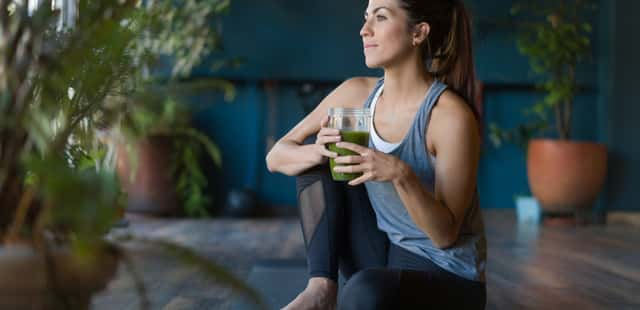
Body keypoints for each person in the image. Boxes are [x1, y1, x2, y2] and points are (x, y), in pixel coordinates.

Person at [265, 0, 486, 308]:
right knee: (316, 161)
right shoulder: (356, 93)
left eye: (380, 17)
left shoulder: (448, 117)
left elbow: (445, 236)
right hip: (387, 252)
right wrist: (320, 151)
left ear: (418, 33)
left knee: (363, 291)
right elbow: (276, 156)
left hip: (449, 276)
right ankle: (320, 290)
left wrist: (401, 174)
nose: (363, 30)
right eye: (366, 17)